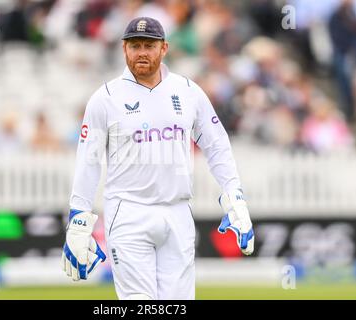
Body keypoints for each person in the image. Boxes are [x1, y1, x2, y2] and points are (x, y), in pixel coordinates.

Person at [61, 17, 254, 300]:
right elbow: (88, 161)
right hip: (128, 212)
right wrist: (79, 218)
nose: (142, 52)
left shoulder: (188, 92)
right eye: (135, 45)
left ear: (164, 48)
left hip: (177, 211)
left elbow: (217, 145)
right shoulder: (105, 98)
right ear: (124, 49)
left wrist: (234, 195)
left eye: (149, 46)